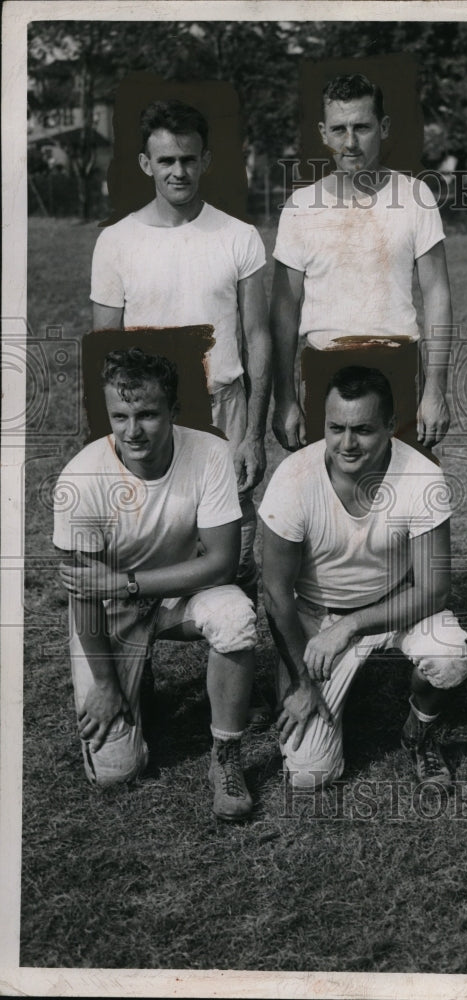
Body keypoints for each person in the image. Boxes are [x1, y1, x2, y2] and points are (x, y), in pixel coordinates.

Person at [54, 348, 258, 821]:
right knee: (116, 773)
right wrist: (105, 684)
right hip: (108, 611)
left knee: (236, 618)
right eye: (120, 416)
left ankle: (225, 757)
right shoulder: (81, 478)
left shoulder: (208, 451)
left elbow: (223, 563)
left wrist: (127, 583)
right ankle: (131, 679)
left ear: (174, 411)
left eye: (147, 414)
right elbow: (83, 593)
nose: (132, 430)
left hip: (174, 589)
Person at [90, 99, 272, 601]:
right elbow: (104, 353)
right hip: (146, 415)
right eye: (166, 160)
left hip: (223, 406)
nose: (179, 171)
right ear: (146, 164)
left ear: (206, 160)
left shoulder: (239, 237)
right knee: (138, 540)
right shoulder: (116, 241)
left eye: (188, 159)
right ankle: (138, 666)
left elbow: (259, 337)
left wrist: (254, 433)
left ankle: (241, 655)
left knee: (233, 555)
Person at [260, 366, 467, 790]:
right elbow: (275, 592)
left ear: (392, 426)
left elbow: (434, 589)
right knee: (309, 775)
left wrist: (353, 626)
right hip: (314, 615)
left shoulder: (422, 475)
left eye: (363, 429)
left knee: (451, 658)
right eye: (336, 428)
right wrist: (303, 680)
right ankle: (297, 681)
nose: (347, 443)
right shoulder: (294, 476)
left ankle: (420, 731)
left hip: (391, 603)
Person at [271, 73, 452, 453]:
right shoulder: (300, 207)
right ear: (323, 132)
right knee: (330, 500)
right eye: (339, 129)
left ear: (383, 127)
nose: (350, 142)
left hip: (398, 366)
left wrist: (435, 389)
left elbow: (437, 294)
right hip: (324, 367)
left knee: (409, 498)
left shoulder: (415, 196)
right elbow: (285, 310)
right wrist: (285, 398)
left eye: (362, 127)